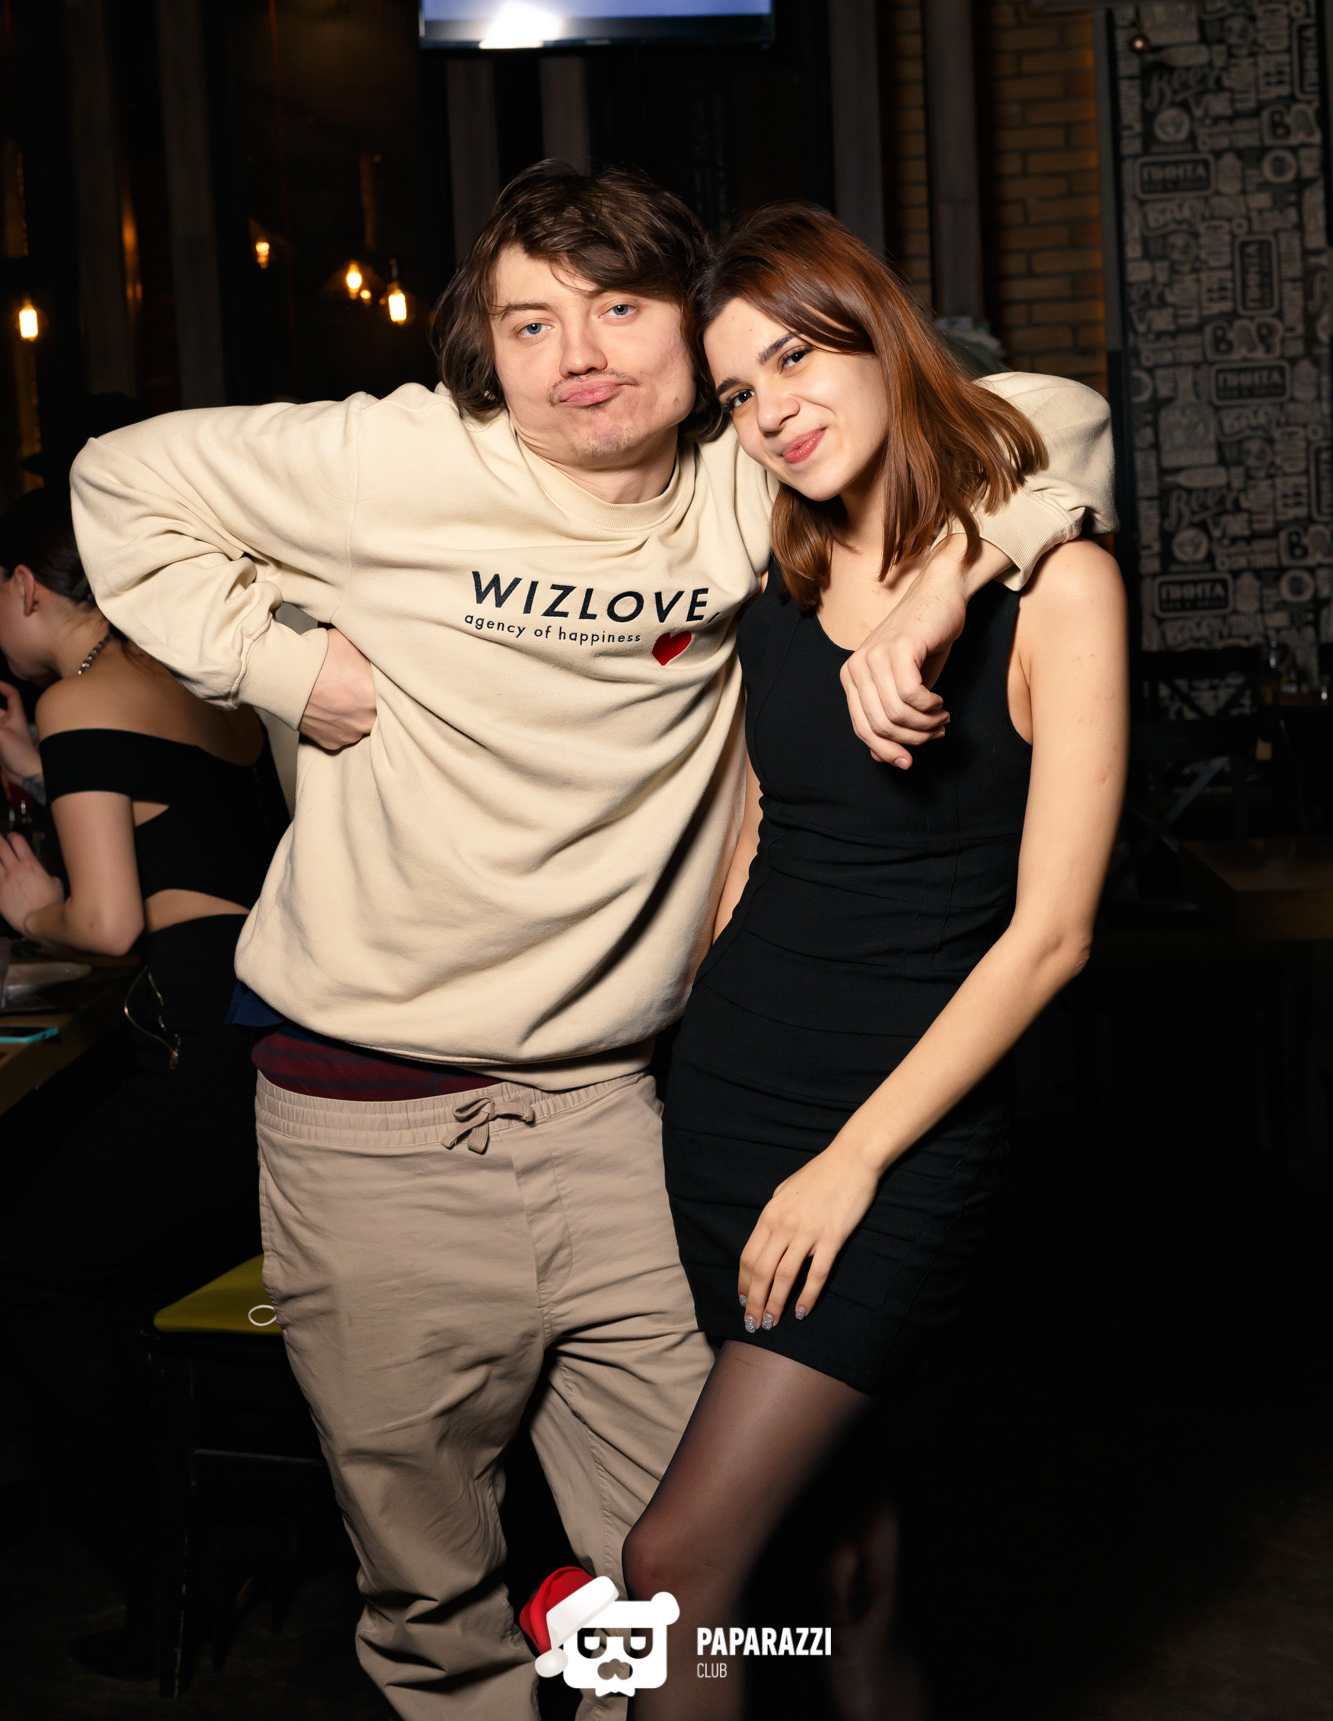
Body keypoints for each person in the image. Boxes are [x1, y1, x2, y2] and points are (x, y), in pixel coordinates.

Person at [69, 163, 1116, 1719]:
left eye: (621, 309)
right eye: (529, 322)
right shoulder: (392, 459)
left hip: (621, 1117)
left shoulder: (745, 480)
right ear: (481, 351)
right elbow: (113, 480)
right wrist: (274, 665)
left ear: (694, 332)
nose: (577, 356)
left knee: (684, 1571)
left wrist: (951, 576)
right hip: (370, 1124)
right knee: (438, 1602)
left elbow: (1050, 418)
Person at [619, 203, 1128, 1714]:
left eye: (796, 355)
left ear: (879, 337)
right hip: (729, 1109)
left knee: (672, 1566)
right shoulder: (780, 581)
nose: (770, 409)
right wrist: (694, 1016)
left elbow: (1053, 938)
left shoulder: (1055, 587)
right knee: (843, 1574)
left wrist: (852, 1161)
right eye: (736, 391)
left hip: (891, 1142)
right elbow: (759, 830)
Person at [0, 487, 288, 1679]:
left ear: (24, 584)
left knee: (30, 1281)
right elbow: (178, 829)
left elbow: (112, 922)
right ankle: (203, 1529)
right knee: (91, 1271)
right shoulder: (194, 677)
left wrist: (33, 907)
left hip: (206, 1064)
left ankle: (172, 1571)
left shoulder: (76, 695)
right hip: (274, 1046)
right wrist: (34, 760)